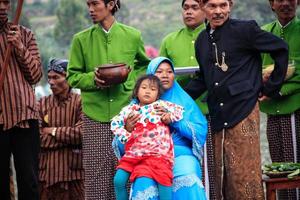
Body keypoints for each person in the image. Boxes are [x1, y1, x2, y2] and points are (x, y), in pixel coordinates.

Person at [185, 0, 289, 199]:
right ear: (202, 6)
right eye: (212, 6)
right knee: (223, 176)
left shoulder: (245, 30)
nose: (218, 11)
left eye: (223, 5)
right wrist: (173, 98)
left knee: (244, 175)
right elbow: (203, 78)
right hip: (218, 115)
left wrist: (271, 87)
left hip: (244, 111)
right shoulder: (202, 41)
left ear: (230, 5)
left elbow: (281, 48)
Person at [67, 0, 149, 199]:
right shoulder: (81, 39)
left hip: (127, 114)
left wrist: (130, 84)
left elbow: (144, 65)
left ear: (111, 4)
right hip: (94, 116)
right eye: (88, 5)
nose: (90, 10)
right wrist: (93, 79)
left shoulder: (132, 36)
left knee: (129, 174)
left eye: (95, 4)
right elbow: (72, 76)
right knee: (97, 179)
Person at [114, 57, 208, 199]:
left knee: (188, 177)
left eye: (169, 71)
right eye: (159, 71)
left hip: (181, 155)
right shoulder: (135, 107)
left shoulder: (183, 101)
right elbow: (121, 146)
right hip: (145, 158)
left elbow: (200, 132)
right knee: (143, 184)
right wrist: (128, 129)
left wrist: (174, 121)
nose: (165, 75)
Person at [159, 1, 216, 199]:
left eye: (195, 7)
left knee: (212, 167)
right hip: (178, 117)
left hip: (211, 110)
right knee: (184, 168)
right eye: (186, 8)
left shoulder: (214, 36)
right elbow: (160, 77)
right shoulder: (170, 40)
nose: (189, 12)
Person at [112, 74, 184, 200]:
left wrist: (168, 116)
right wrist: (126, 135)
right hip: (134, 154)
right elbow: (115, 124)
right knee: (118, 181)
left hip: (159, 154)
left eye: (152, 89)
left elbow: (179, 111)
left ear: (158, 94)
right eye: (144, 87)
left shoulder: (160, 106)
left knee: (164, 183)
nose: (147, 91)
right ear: (137, 91)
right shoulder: (130, 110)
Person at [0, 0, 43, 199]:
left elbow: (35, 75)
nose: (2, 6)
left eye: (6, 2)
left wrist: (18, 45)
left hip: (24, 117)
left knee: (29, 181)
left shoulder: (25, 34)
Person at [260, 0, 300, 199]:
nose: (286, 3)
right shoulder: (265, 32)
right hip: (271, 108)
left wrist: (279, 90)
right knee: (278, 168)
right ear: (271, 4)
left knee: (296, 166)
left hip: (295, 108)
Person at [38, 58, 84, 200]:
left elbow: (82, 133)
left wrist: (53, 131)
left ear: (68, 78)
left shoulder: (80, 102)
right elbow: (37, 137)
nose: (51, 82)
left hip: (74, 175)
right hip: (47, 174)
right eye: (49, 77)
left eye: (56, 77)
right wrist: (69, 137)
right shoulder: (41, 104)